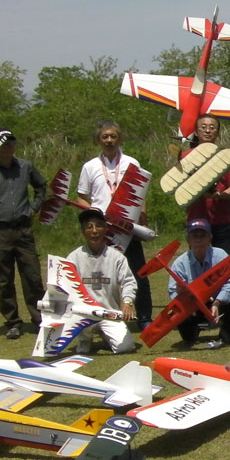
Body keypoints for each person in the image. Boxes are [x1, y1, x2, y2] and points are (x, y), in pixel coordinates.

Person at [76, 120, 153, 330]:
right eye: (105, 137)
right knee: (104, 275)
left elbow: (140, 194)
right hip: (103, 230)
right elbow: (82, 197)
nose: (109, 140)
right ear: (98, 140)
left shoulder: (131, 163)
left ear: (120, 138)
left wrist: (142, 218)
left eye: (113, 136)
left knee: (138, 272)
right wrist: (94, 215)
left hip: (127, 227)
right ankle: (105, 318)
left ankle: (144, 318)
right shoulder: (90, 166)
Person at [0, 130, 46, 339]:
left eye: (10, 143)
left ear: (15, 146)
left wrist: (34, 208)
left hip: (23, 229)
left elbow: (41, 186)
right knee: (4, 278)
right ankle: (13, 322)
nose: (7, 148)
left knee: (32, 276)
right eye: (3, 144)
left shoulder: (26, 166)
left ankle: (40, 319)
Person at [66, 208, 137, 354]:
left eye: (98, 226)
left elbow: (128, 281)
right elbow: (64, 286)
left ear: (105, 229)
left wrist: (127, 302)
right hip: (84, 314)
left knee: (125, 347)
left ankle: (106, 335)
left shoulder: (116, 257)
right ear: (83, 231)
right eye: (89, 227)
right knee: (82, 342)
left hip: (109, 313)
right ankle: (85, 339)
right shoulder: (73, 258)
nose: (94, 231)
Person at [169, 219, 230, 347]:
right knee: (176, 310)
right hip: (192, 307)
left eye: (203, 235)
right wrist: (182, 296)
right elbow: (172, 292)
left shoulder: (221, 255)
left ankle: (228, 334)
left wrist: (217, 303)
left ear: (210, 238)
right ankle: (191, 334)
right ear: (188, 240)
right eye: (195, 236)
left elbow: (229, 284)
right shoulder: (179, 263)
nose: (199, 240)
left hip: (218, 302)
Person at [184, 114, 230, 254]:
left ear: (218, 132)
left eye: (212, 127)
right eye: (203, 127)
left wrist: (218, 195)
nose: (208, 131)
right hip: (196, 219)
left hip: (221, 219)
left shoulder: (226, 156)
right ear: (196, 132)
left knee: (224, 260)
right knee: (197, 260)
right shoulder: (186, 156)